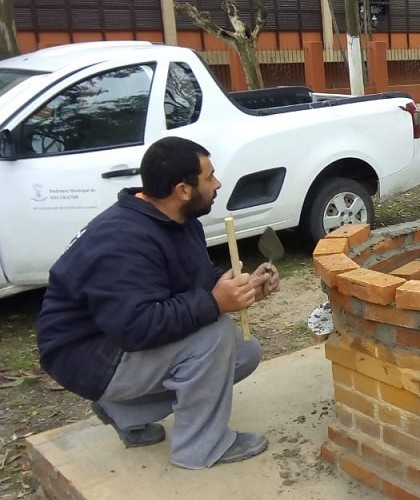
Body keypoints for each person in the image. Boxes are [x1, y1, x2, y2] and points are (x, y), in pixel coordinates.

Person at [36, 136, 281, 468]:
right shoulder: (121, 240)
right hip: (86, 354)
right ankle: (200, 447)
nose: (217, 183)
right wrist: (215, 304)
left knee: (243, 353)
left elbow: (197, 277)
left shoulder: (177, 219)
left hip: (116, 340)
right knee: (215, 335)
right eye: (209, 177)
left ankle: (122, 409)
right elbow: (136, 327)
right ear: (183, 189)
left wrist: (245, 287)